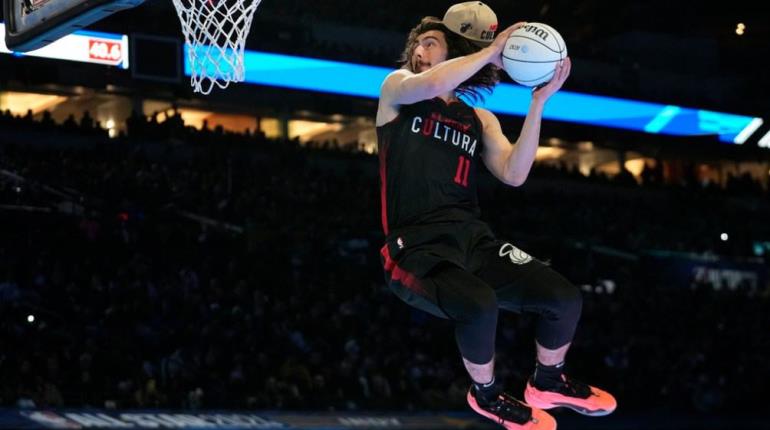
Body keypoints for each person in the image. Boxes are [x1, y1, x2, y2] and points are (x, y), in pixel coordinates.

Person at [375, 2, 616, 429]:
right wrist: (490, 52)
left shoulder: (480, 119)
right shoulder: (398, 88)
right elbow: (432, 82)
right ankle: (486, 394)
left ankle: (547, 381)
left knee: (564, 299)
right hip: (415, 249)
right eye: (416, 44)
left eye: (430, 43)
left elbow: (514, 173)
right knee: (480, 305)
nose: (418, 50)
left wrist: (538, 104)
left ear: (454, 49)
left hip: (473, 240)